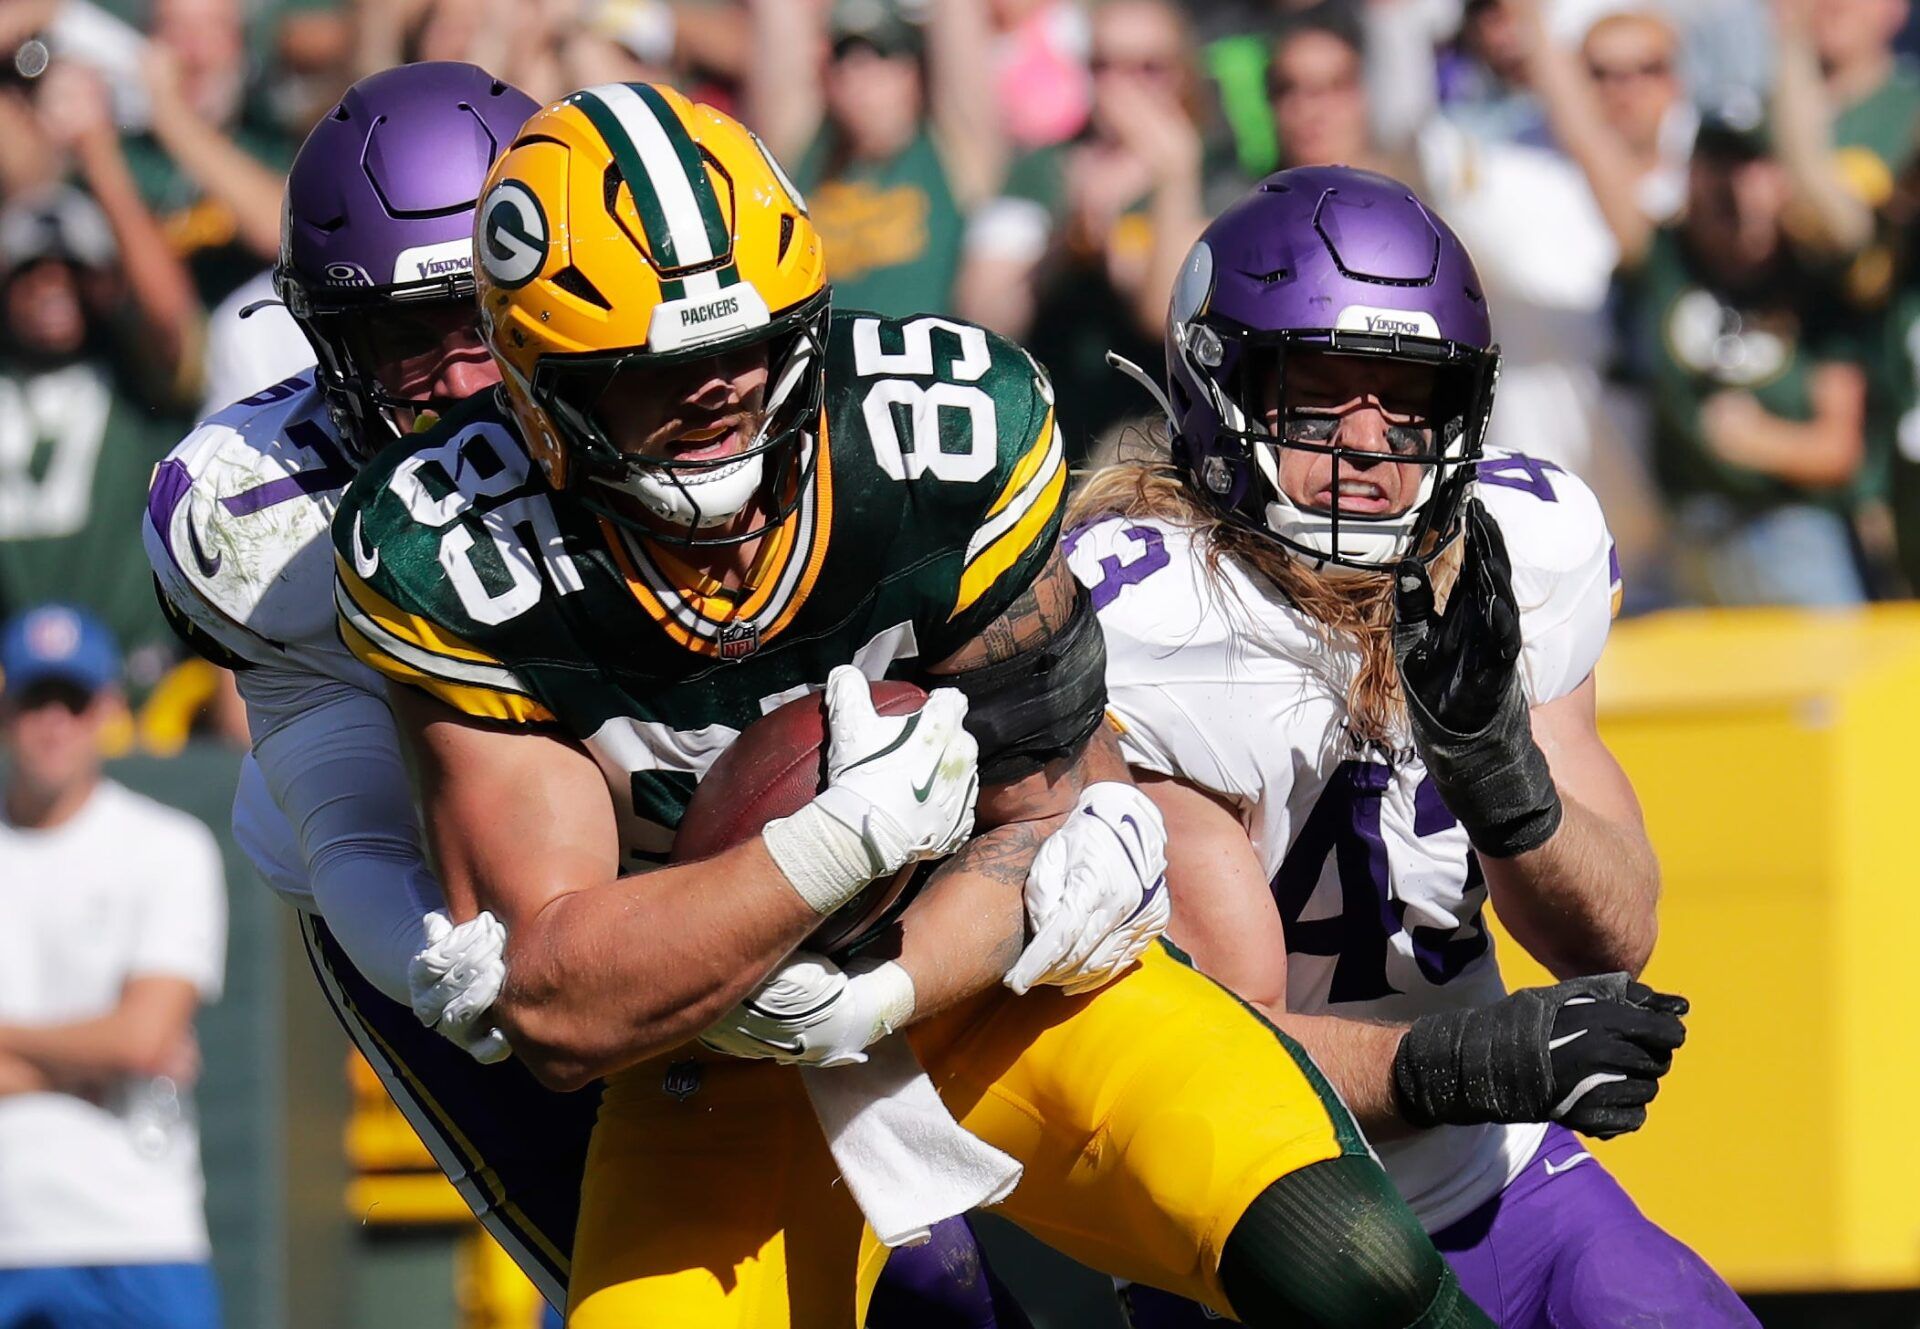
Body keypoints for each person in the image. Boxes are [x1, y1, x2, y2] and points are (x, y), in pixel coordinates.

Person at [331, 82, 1502, 1329]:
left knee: (1349, 1264)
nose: (721, 396)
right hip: (698, 1062)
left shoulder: (937, 440)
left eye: (747, 346)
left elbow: (1047, 814)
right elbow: (562, 999)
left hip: (991, 988)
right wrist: (825, 852)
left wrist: (880, 990)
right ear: (535, 385)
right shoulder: (459, 557)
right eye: (655, 373)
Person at [146, 61, 1027, 1329]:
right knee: (653, 1285)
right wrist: (438, 955)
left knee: (930, 1278)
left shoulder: (684, 401)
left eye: (478, 322)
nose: (458, 381)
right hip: (449, 908)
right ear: (331, 343)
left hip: (708, 834)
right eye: (410, 339)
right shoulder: (260, 523)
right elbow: (346, 808)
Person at [1068, 165, 1758, 1329]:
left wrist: (1504, 779)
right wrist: (1468, 1063)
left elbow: (1617, 931)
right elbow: (1220, 1075)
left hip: (1500, 1185)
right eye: (1316, 400)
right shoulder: (1155, 623)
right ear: (1216, 390)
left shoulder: (1512, 552)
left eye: (1408, 399)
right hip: (1259, 1236)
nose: (1369, 446)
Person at [0, 603, 226, 1329]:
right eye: (36, 700)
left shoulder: (167, 846)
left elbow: (143, 1036)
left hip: (135, 1228)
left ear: (107, 708)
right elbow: (137, 1043)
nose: (53, 723)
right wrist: (97, 1056)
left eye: (72, 700)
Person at [745, 0, 1003, 317]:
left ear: (915, 73)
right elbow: (779, 25)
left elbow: (961, 34)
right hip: (826, 363)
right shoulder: (802, 155)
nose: (857, 76)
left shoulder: (951, 153)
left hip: (922, 364)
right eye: (843, 58)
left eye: (881, 54)